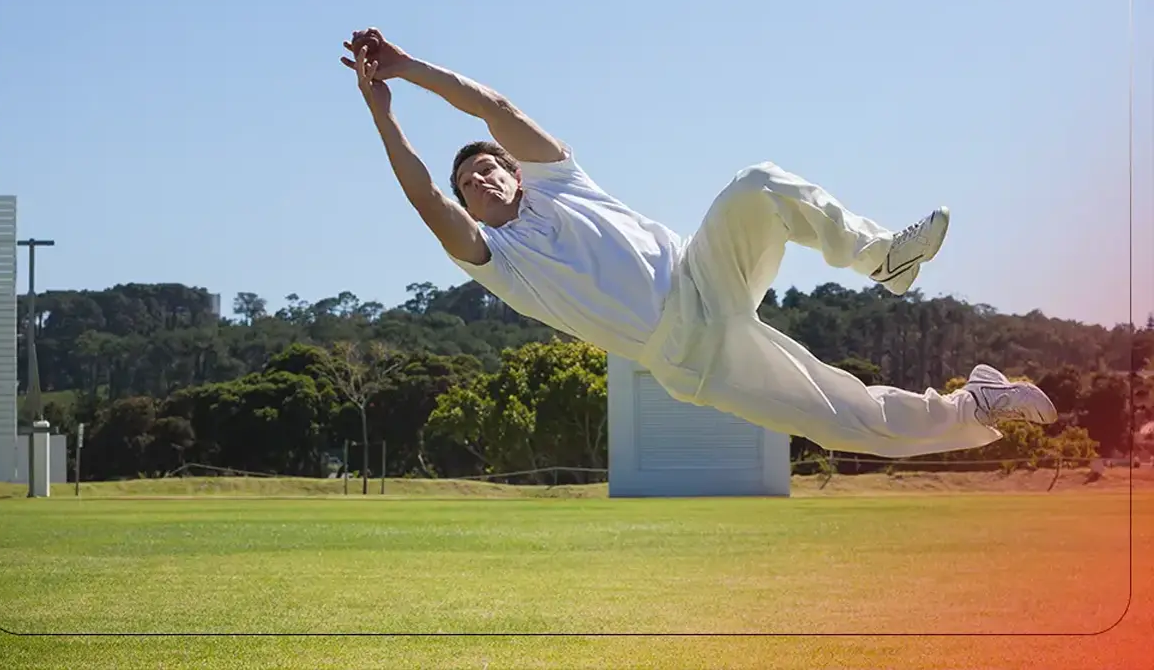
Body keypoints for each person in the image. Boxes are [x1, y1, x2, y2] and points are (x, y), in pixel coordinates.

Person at [340, 28, 1056, 459]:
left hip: (702, 273)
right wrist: (382, 109)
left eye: (489, 164)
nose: (481, 176)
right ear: (467, 202)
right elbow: (420, 194)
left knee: (758, 185)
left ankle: (882, 258)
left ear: (514, 167)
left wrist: (408, 68)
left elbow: (494, 108)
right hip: (692, 353)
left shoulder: (561, 180)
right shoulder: (501, 263)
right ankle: (976, 407)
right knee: (847, 420)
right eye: (468, 180)